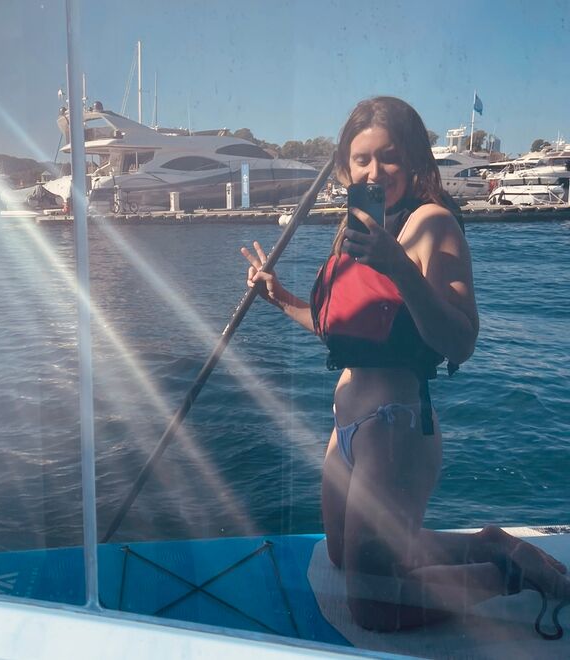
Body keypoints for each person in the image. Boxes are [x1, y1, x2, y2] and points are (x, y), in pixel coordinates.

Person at [241, 96, 570, 631]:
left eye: (388, 157)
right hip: (344, 429)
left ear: (414, 160)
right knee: (347, 560)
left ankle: (512, 576)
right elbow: (342, 329)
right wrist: (279, 297)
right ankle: (489, 545)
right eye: (362, 159)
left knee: (372, 606)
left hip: (394, 430)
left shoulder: (433, 224)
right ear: (345, 167)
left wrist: (399, 268)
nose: (375, 171)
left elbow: (460, 341)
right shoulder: (354, 235)